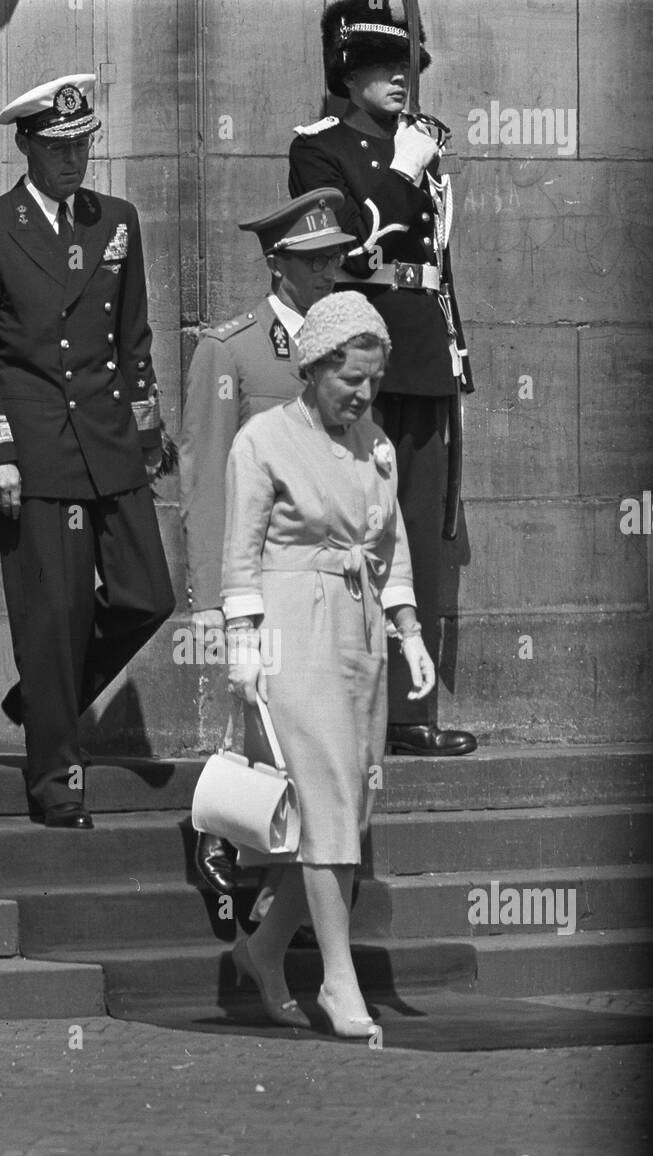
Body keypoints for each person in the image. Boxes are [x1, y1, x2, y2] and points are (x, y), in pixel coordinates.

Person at [0, 74, 174, 828]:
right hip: (36, 445)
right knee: (55, 613)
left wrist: (147, 434)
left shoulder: (116, 221)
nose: (73, 159)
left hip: (109, 438)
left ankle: (41, 698)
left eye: (81, 144)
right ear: (26, 146)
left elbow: (132, 339)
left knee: (148, 595)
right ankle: (56, 781)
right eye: (57, 147)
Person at [221, 293, 435, 1037]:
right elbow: (239, 552)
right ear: (313, 369)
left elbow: (391, 541)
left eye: (373, 381)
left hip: (358, 630)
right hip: (290, 628)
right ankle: (338, 984)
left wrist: (407, 629)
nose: (364, 394)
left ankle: (263, 947)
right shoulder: (262, 439)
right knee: (326, 798)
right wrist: (243, 648)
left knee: (341, 808)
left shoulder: (371, 441)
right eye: (351, 379)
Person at [288, 0, 477, 757]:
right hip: (357, 349)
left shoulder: (419, 147)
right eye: (384, 68)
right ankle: (339, 703)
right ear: (350, 71)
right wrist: (401, 173)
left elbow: (434, 261)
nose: (401, 79)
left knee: (416, 539)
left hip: (422, 347)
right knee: (348, 530)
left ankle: (408, 712)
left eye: (408, 68)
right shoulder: (320, 149)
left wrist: (454, 345)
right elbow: (345, 241)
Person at [179, 189, 356, 891]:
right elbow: (206, 481)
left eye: (334, 258)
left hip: (327, 579)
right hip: (260, 578)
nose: (326, 272)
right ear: (276, 263)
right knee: (259, 719)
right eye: (312, 260)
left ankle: (295, 869)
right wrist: (215, 595)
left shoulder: (344, 347)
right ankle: (227, 835)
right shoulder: (231, 353)